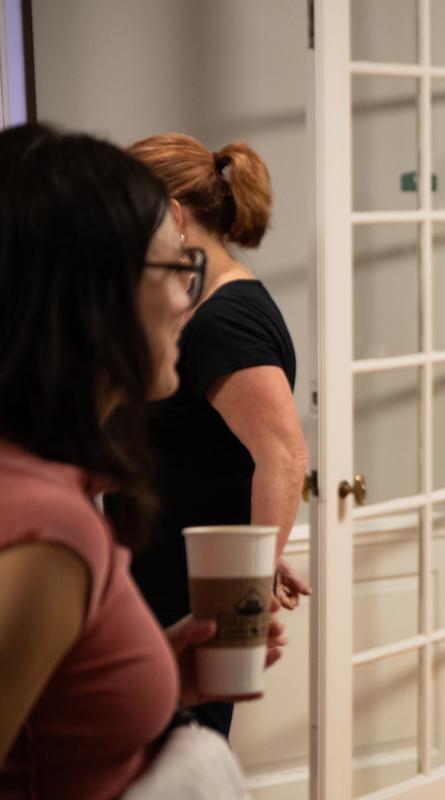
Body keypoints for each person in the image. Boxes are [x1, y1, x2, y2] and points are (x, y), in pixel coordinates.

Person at [0, 123, 282, 798]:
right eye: (176, 268)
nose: (192, 297)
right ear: (98, 295)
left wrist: (151, 675)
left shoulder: (46, 485)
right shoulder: (49, 530)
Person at [127, 133, 308, 737]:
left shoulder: (227, 319)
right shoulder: (205, 306)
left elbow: (281, 456)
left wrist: (248, 585)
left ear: (174, 216)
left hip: (187, 596)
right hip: (165, 578)